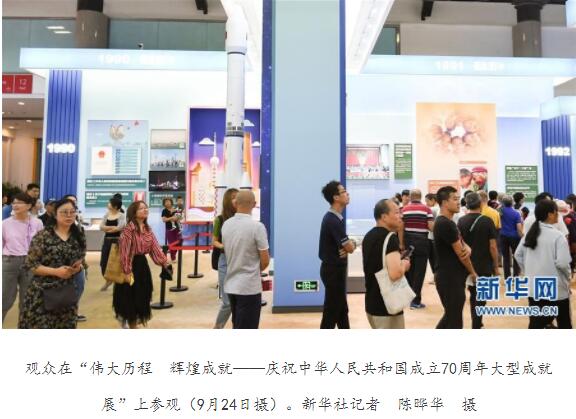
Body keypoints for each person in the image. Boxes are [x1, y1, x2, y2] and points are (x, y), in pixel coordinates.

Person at [18, 198, 86, 329]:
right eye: (64, 212)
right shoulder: (43, 236)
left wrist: (77, 268)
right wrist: (56, 272)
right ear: (55, 214)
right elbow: (31, 264)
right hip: (42, 292)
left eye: (72, 212)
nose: (69, 215)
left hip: (67, 293)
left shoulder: (79, 235)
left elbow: (81, 259)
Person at [514, 200, 572, 329]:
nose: (558, 215)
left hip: (534, 288)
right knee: (564, 323)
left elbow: (518, 255)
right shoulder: (558, 236)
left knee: (536, 324)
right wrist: (567, 278)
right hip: (556, 289)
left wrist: (529, 272)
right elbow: (563, 264)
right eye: (556, 212)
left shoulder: (529, 235)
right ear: (550, 214)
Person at [116, 201, 172, 329]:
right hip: (130, 266)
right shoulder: (128, 229)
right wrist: (127, 271)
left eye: (146, 208)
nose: (145, 210)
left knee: (142, 296)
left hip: (142, 266)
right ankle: (130, 324)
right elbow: (124, 252)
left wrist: (164, 262)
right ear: (133, 212)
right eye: (141, 208)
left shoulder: (147, 229)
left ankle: (134, 322)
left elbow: (154, 248)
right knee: (130, 298)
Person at [221, 191, 270, 329]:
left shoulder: (226, 225)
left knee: (237, 324)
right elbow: (265, 261)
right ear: (254, 204)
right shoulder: (257, 227)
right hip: (249, 288)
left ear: (235, 203)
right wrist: (252, 270)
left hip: (231, 285)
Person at [362, 199, 411, 328]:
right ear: (384, 217)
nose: (400, 216)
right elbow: (395, 274)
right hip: (387, 307)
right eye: (396, 212)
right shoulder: (390, 238)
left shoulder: (368, 236)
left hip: (371, 303)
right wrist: (405, 264)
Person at [433, 186, 477, 329]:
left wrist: (466, 247)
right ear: (444, 202)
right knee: (454, 320)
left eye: (458, 199)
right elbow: (462, 254)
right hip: (449, 278)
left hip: (451, 277)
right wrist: (473, 272)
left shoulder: (448, 222)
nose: (459, 202)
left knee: (451, 316)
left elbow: (463, 245)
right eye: (455, 199)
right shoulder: (445, 223)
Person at [458, 193, 499, 329]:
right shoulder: (487, 221)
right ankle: (476, 324)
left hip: (466, 264)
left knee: (473, 293)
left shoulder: (461, 221)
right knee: (481, 296)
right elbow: (493, 246)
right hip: (484, 264)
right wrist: (496, 267)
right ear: (480, 204)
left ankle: (477, 323)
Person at [318, 181, 356, 329]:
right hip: (333, 271)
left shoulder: (335, 218)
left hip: (335, 270)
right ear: (336, 197)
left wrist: (348, 246)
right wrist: (352, 244)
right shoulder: (332, 220)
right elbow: (349, 247)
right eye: (343, 191)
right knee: (331, 312)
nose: (347, 194)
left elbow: (346, 247)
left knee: (341, 311)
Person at [2, 193, 44, 323]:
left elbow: (41, 244)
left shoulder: (37, 222)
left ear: (29, 206)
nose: (15, 205)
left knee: (27, 299)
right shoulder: (5, 224)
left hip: (30, 263)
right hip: (10, 261)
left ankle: (24, 326)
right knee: (5, 298)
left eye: (19, 202)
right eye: (14, 203)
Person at [400, 189, 434, 309]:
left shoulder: (404, 210)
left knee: (409, 271)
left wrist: (401, 243)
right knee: (420, 272)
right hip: (422, 243)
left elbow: (401, 227)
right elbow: (431, 227)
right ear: (420, 197)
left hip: (408, 242)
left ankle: (408, 298)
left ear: (410, 197)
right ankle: (415, 301)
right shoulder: (427, 209)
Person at [212, 188, 239, 329]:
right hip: (225, 260)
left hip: (240, 261)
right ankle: (217, 328)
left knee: (239, 300)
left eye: (238, 197)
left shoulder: (243, 219)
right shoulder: (220, 219)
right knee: (227, 301)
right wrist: (224, 246)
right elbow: (214, 241)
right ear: (227, 200)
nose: (236, 200)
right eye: (233, 197)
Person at [99, 197, 126, 291]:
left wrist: (108, 228)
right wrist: (112, 228)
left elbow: (119, 228)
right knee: (103, 262)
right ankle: (108, 280)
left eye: (109, 203)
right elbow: (101, 227)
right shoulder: (107, 214)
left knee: (116, 262)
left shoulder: (121, 215)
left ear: (115, 206)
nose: (108, 204)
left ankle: (116, 282)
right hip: (106, 241)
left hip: (117, 241)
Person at [499, 195, 523, 278]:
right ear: (512, 203)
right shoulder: (516, 213)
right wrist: (522, 236)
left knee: (506, 257)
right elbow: (519, 227)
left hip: (503, 236)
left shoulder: (500, 212)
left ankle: (507, 276)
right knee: (516, 256)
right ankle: (516, 275)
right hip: (514, 237)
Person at [161, 197, 181, 263]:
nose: (167, 203)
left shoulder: (175, 209)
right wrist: (171, 218)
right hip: (169, 229)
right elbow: (164, 220)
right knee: (172, 243)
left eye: (169, 201)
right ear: (164, 203)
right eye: (166, 202)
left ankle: (173, 255)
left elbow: (179, 217)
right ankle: (173, 257)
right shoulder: (164, 211)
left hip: (177, 228)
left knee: (178, 243)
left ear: (171, 202)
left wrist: (178, 218)